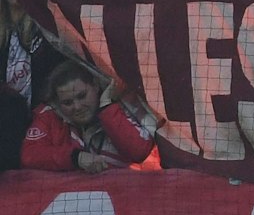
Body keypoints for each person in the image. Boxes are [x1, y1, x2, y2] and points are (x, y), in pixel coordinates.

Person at [18, 61, 155, 173]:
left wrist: (106, 108)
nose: (77, 107)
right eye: (67, 102)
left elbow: (139, 152)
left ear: (95, 86)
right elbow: (29, 155)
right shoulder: (49, 115)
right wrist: (76, 158)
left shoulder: (120, 108)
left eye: (82, 96)